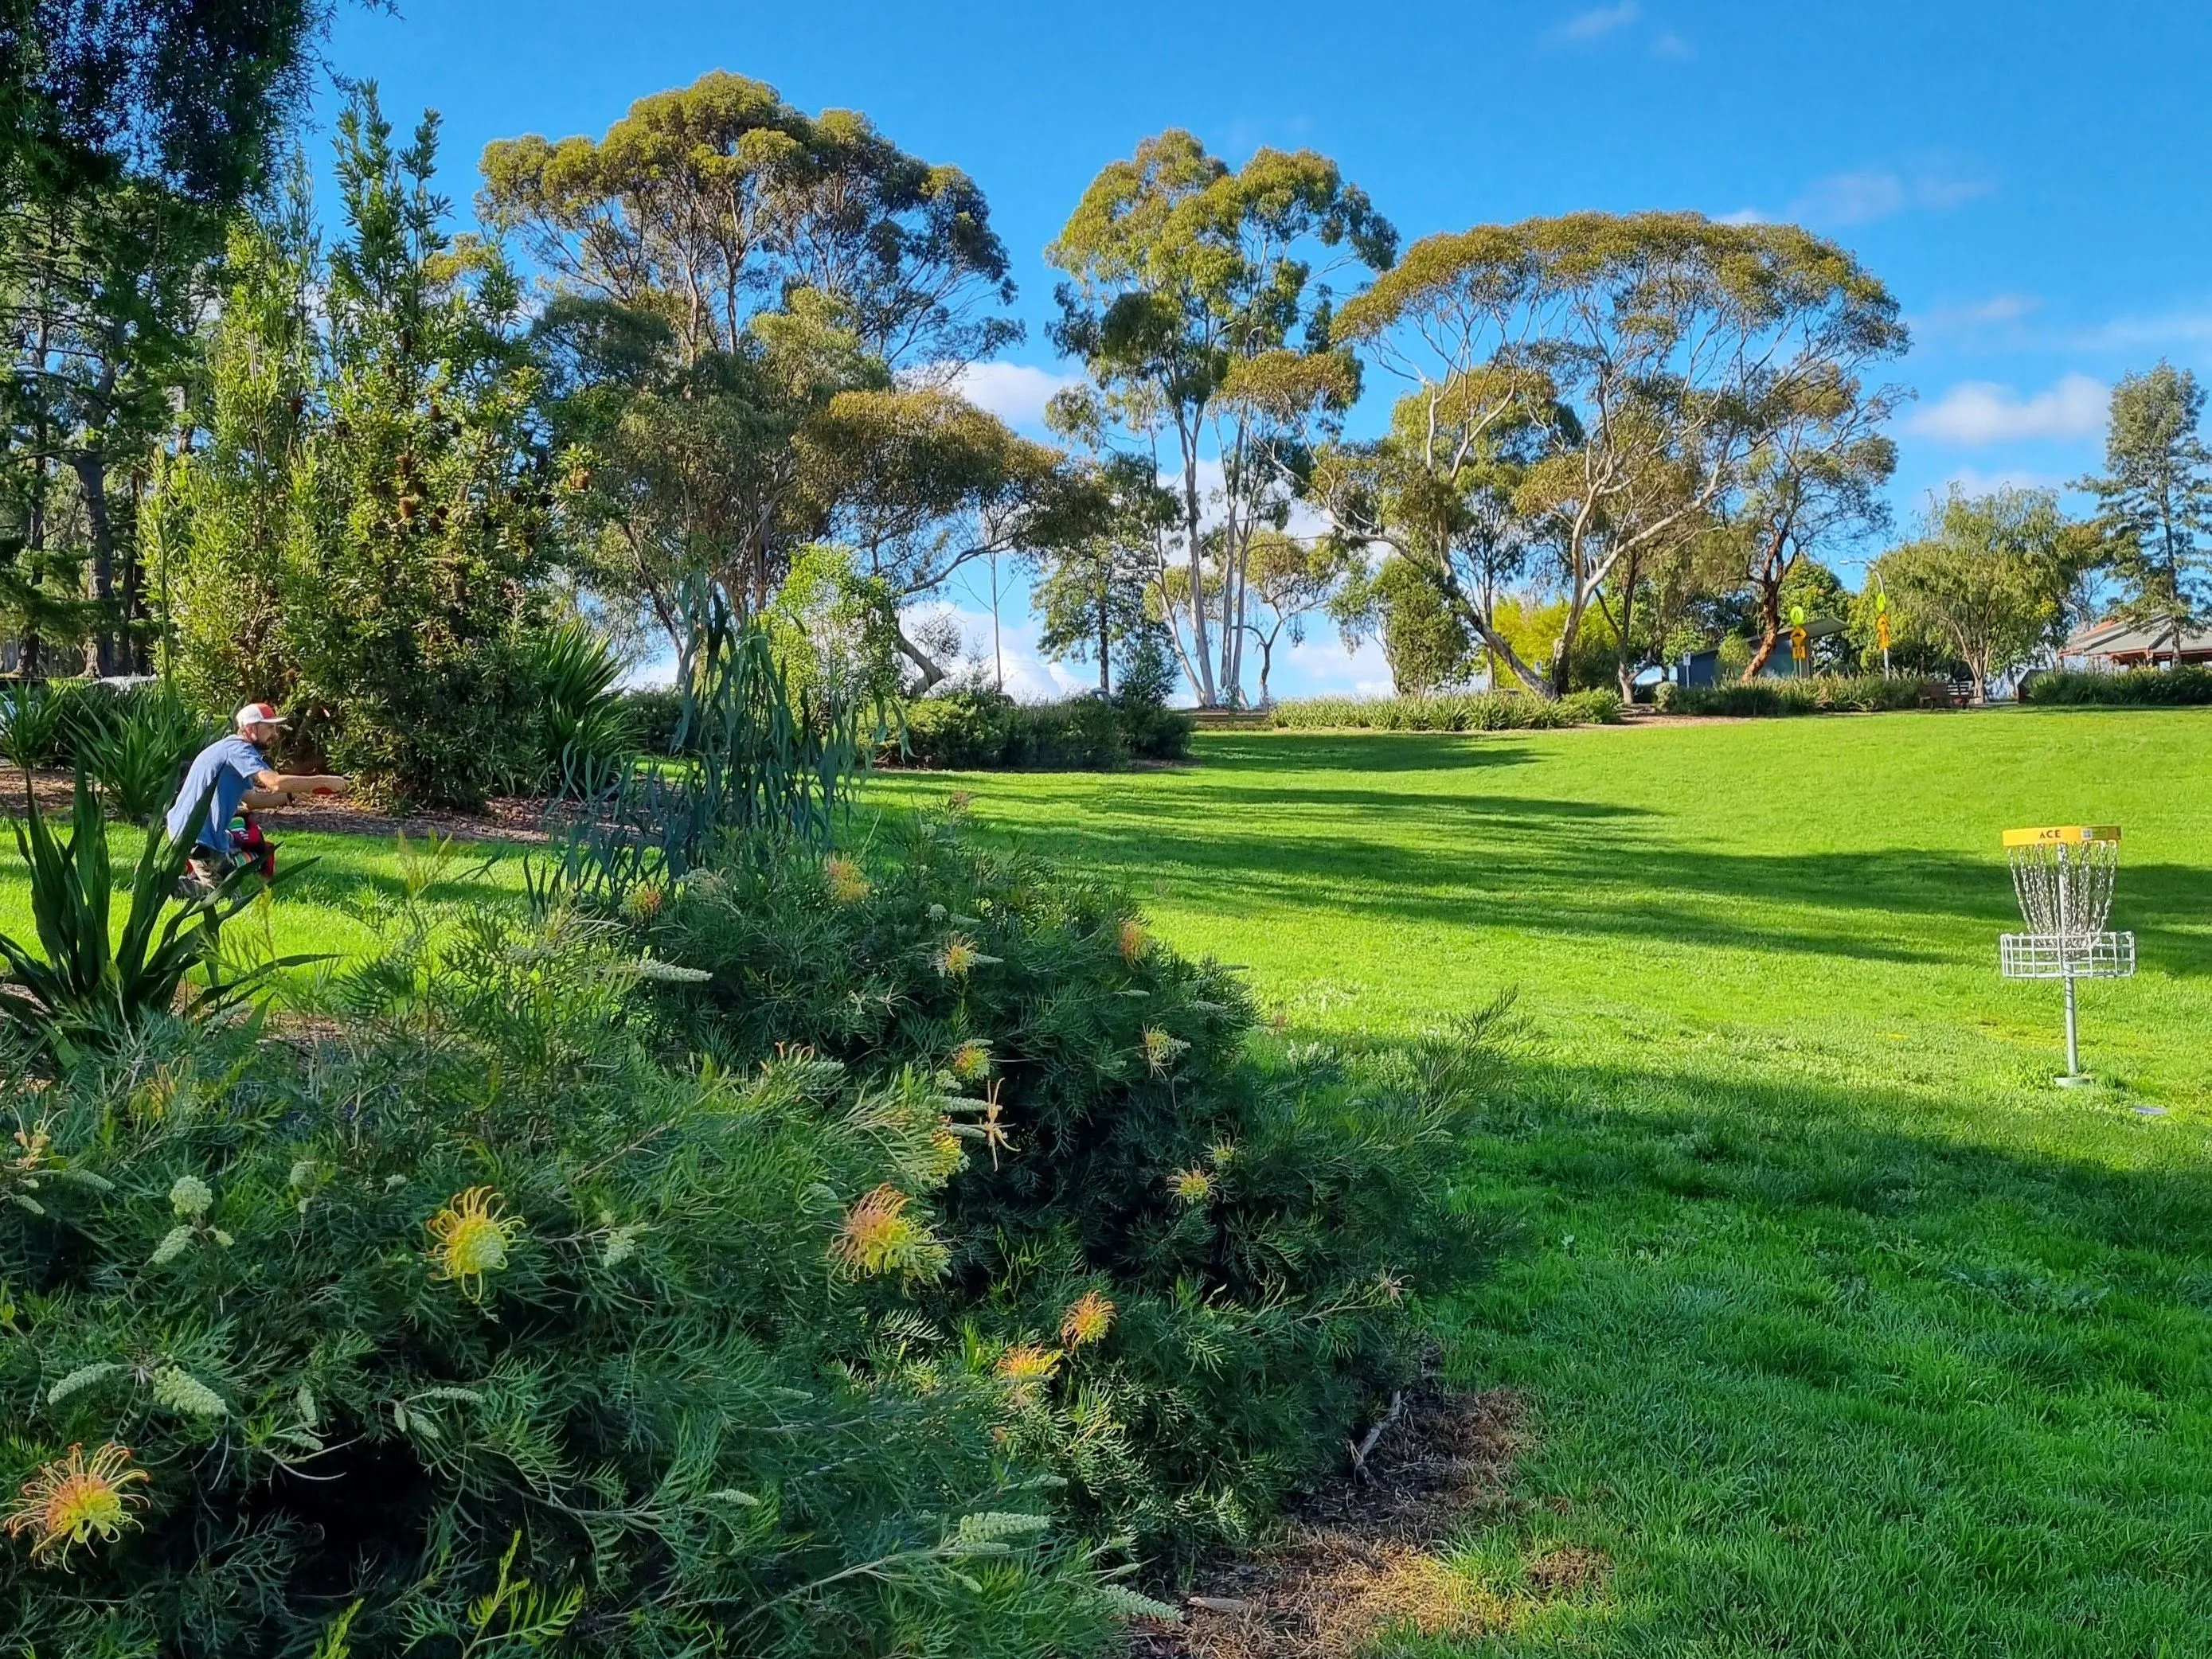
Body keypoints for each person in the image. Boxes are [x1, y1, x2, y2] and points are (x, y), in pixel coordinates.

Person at [165, 702, 349, 884]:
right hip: (198, 836)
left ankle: (171, 882)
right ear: (251, 728)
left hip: (190, 831)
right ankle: (162, 886)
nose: (275, 735)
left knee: (230, 885)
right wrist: (323, 780)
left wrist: (290, 795)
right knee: (218, 895)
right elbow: (274, 782)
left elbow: (253, 801)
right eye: (270, 728)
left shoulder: (229, 750)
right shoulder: (240, 750)